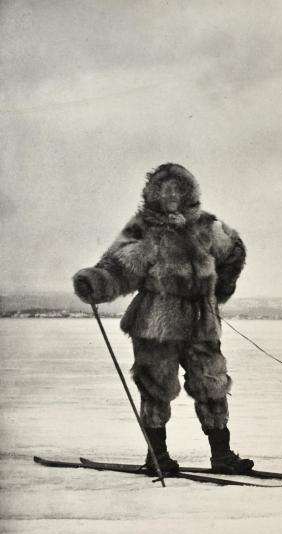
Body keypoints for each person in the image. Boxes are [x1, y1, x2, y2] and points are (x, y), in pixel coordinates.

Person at [72, 163, 254, 475]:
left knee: (212, 385)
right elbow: (117, 266)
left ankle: (222, 456)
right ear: (154, 193)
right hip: (157, 323)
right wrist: (96, 281)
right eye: (164, 189)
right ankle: (158, 457)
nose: (170, 195)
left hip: (201, 323)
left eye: (177, 189)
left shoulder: (207, 226)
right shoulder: (143, 228)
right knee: (156, 389)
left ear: (188, 192)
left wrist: (218, 289)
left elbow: (234, 251)